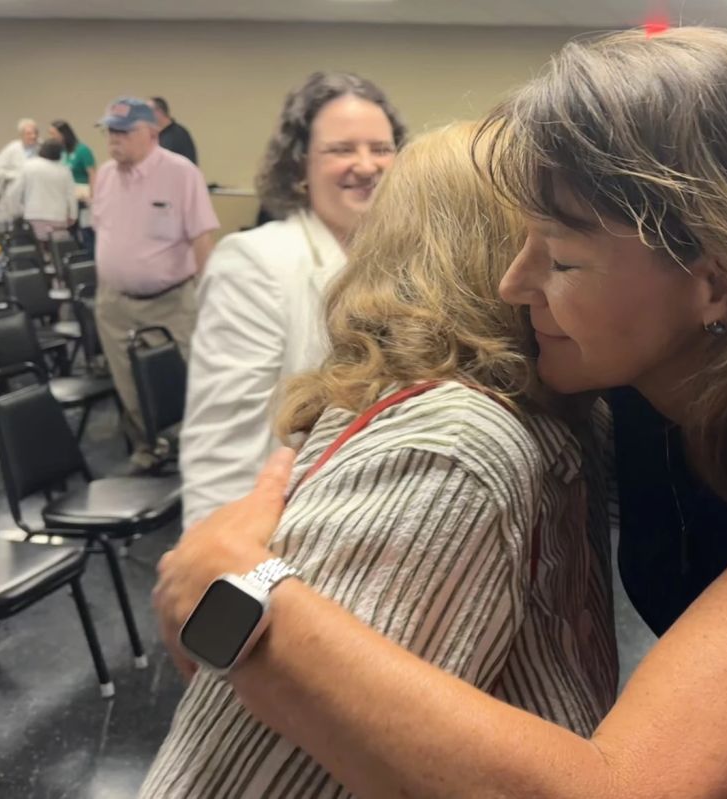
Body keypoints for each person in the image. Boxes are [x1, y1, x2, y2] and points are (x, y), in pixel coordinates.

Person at [153, 27, 727, 799]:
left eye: (560, 258)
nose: (515, 285)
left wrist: (238, 602)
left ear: (718, 278)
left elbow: (625, 787)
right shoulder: (667, 360)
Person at [141, 122, 617, 798]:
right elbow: (240, 779)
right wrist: (223, 592)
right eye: (566, 245)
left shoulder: (522, 412)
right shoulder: (451, 447)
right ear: (503, 259)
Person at [179, 72, 405, 528]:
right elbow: (223, 446)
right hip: (289, 530)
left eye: (381, 148)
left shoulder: (404, 261)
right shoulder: (254, 262)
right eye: (341, 149)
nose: (366, 165)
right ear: (300, 168)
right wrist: (218, 579)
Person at [91, 97, 218, 472]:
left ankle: (192, 457)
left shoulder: (181, 174)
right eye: (110, 131)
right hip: (113, 304)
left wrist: (208, 300)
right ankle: (147, 449)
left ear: (151, 133)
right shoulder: (107, 176)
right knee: (128, 385)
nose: (114, 139)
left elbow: (201, 241)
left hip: (169, 303)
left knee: (184, 382)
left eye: (123, 132)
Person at [10, 140, 77, 242]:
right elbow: (71, 196)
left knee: (36, 250)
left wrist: (17, 211)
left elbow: (14, 192)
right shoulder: (65, 170)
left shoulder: (28, 166)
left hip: (33, 215)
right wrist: (73, 215)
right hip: (58, 217)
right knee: (56, 252)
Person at [46, 120, 97, 249]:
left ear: (63, 134)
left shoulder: (82, 150)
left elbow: (92, 174)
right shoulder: (60, 152)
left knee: (87, 232)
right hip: (67, 199)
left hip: (82, 197)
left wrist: (92, 196)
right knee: (70, 232)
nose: (51, 138)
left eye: (53, 134)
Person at [0, 118, 38, 232]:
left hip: (34, 193)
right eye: (29, 133)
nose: (33, 136)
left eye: (35, 133)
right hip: (13, 192)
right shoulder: (13, 148)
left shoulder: (40, 148)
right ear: (22, 135)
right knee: (13, 224)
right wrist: (13, 175)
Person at [151, 97, 198, 165]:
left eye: (148, 112)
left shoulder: (180, 134)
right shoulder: (152, 135)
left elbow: (190, 164)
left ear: (159, 112)